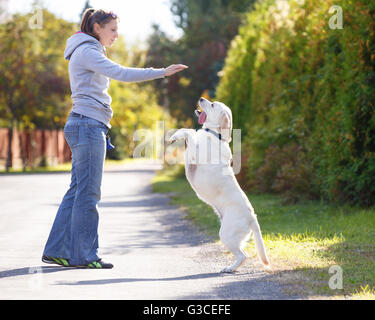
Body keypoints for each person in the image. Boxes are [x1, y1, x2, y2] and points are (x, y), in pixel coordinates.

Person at [42, 8, 188, 269]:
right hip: (87, 125)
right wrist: (161, 72)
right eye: (112, 30)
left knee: (77, 191)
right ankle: (84, 255)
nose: (116, 36)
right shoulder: (87, 51)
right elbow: (122, 73)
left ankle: (57, 250)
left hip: (84, 123)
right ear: (96, 27)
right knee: (88, 193)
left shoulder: (86, 50)